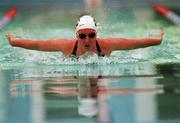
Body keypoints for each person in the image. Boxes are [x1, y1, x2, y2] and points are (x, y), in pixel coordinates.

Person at [6, 15, 164, 57]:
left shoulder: (108, 44)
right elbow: (37, 45)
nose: (87, 39)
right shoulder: (66, 46)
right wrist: (15, 42)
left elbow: (135, 43)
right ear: (76, 36)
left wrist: (157, 40)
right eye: (82, 36)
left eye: (91, 35)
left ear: (97, 34)